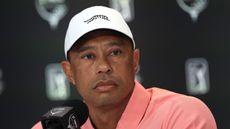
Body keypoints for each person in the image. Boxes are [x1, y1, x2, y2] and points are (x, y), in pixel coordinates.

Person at [32, 6, 217, 129]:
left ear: (135, 60)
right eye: (88, 56)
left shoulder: (182, 115)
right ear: (69, 72)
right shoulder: (53, 127)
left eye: (115, 52)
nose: (103, 66)